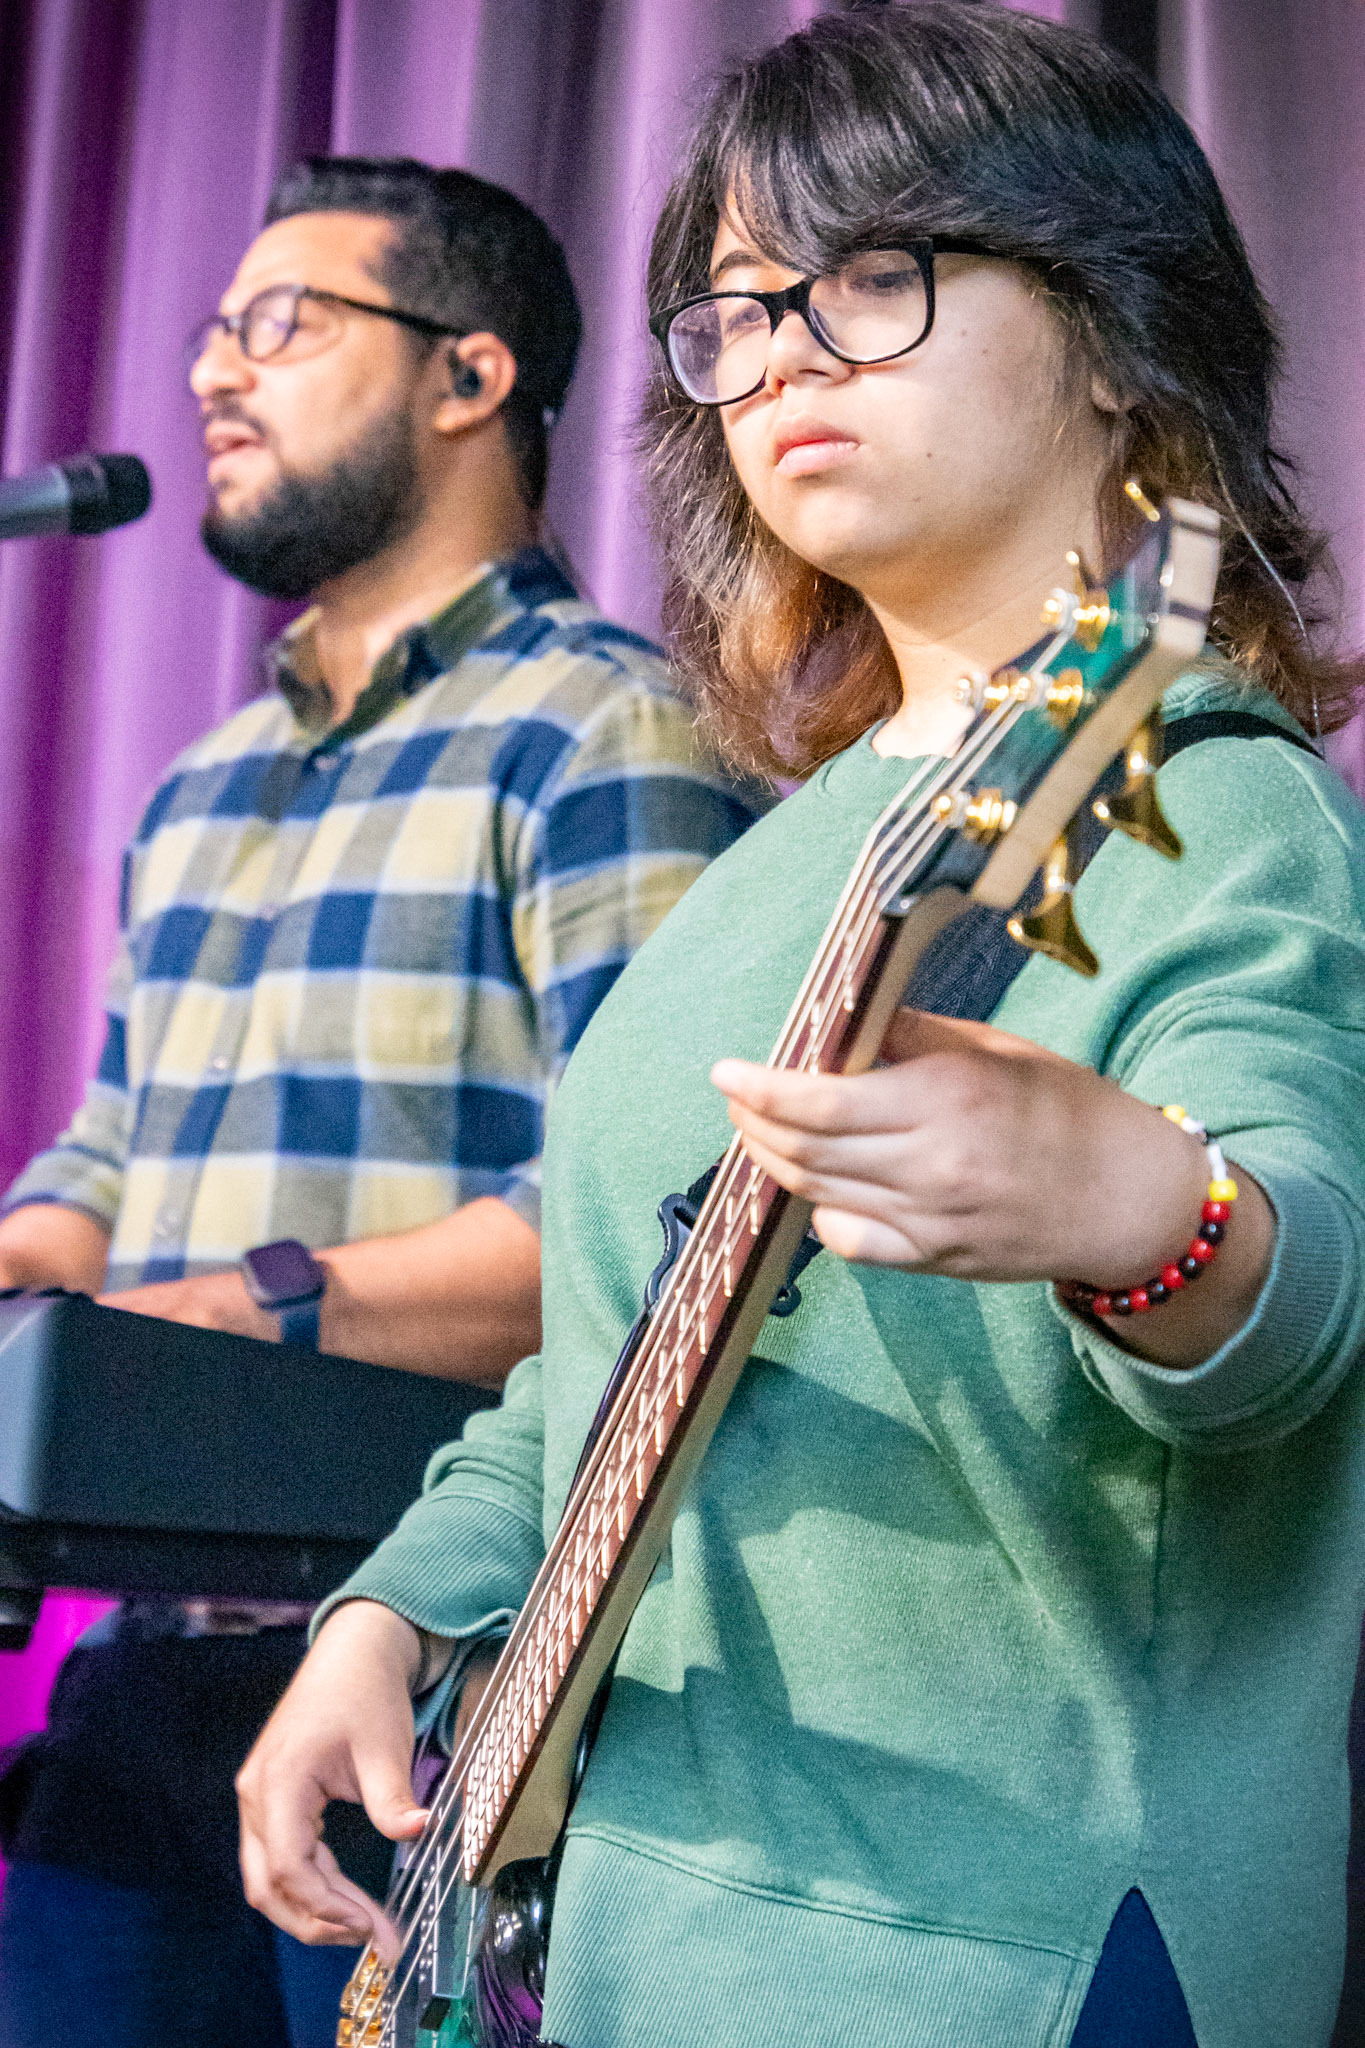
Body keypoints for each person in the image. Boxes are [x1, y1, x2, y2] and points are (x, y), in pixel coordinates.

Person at [239, 15, 1365, 2048]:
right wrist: (391, 1610)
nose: (776, 356)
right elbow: (603, 1349)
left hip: (990, 1958)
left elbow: (1291, 1310)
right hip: (630, 1940)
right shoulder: (780, 852)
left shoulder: (1208, 790)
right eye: (738, 310)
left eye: (868, 277)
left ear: (1115, 335)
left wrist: (1147, 1215)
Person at [0, 158, 763, 2048]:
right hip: (142, 1658)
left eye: (282, 323)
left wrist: (203, 1320)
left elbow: (650, 1222)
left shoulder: (605, 729)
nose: (213, 372)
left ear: (468, 375)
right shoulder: (203, 786)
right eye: (211, 332)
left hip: (429, 1665)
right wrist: (31, 1286)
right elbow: (107, 1160)